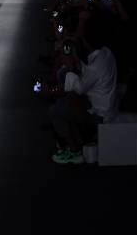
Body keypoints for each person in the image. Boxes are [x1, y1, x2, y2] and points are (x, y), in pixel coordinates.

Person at [50, 16, 118, 164]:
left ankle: (75, 150)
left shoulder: (95, 66)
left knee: (57, 111)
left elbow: (79, 88)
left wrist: (70, 67)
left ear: (85, 40)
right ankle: (76, 137)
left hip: (99, 114)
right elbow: (89, 75)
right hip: (105, 105)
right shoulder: (106, 53)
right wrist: (76, 61)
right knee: (66, 92)